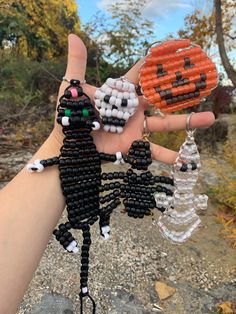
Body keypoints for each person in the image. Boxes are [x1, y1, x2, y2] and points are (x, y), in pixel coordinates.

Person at [0, 34, 215, 314]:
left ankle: (93, 238)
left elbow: (108, 177)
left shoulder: (111, 175)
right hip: (87, 163)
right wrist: (59, 153)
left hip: (92, 166)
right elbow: (104, 171)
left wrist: (53, 158)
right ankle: (92, 243)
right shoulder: (94, 141)